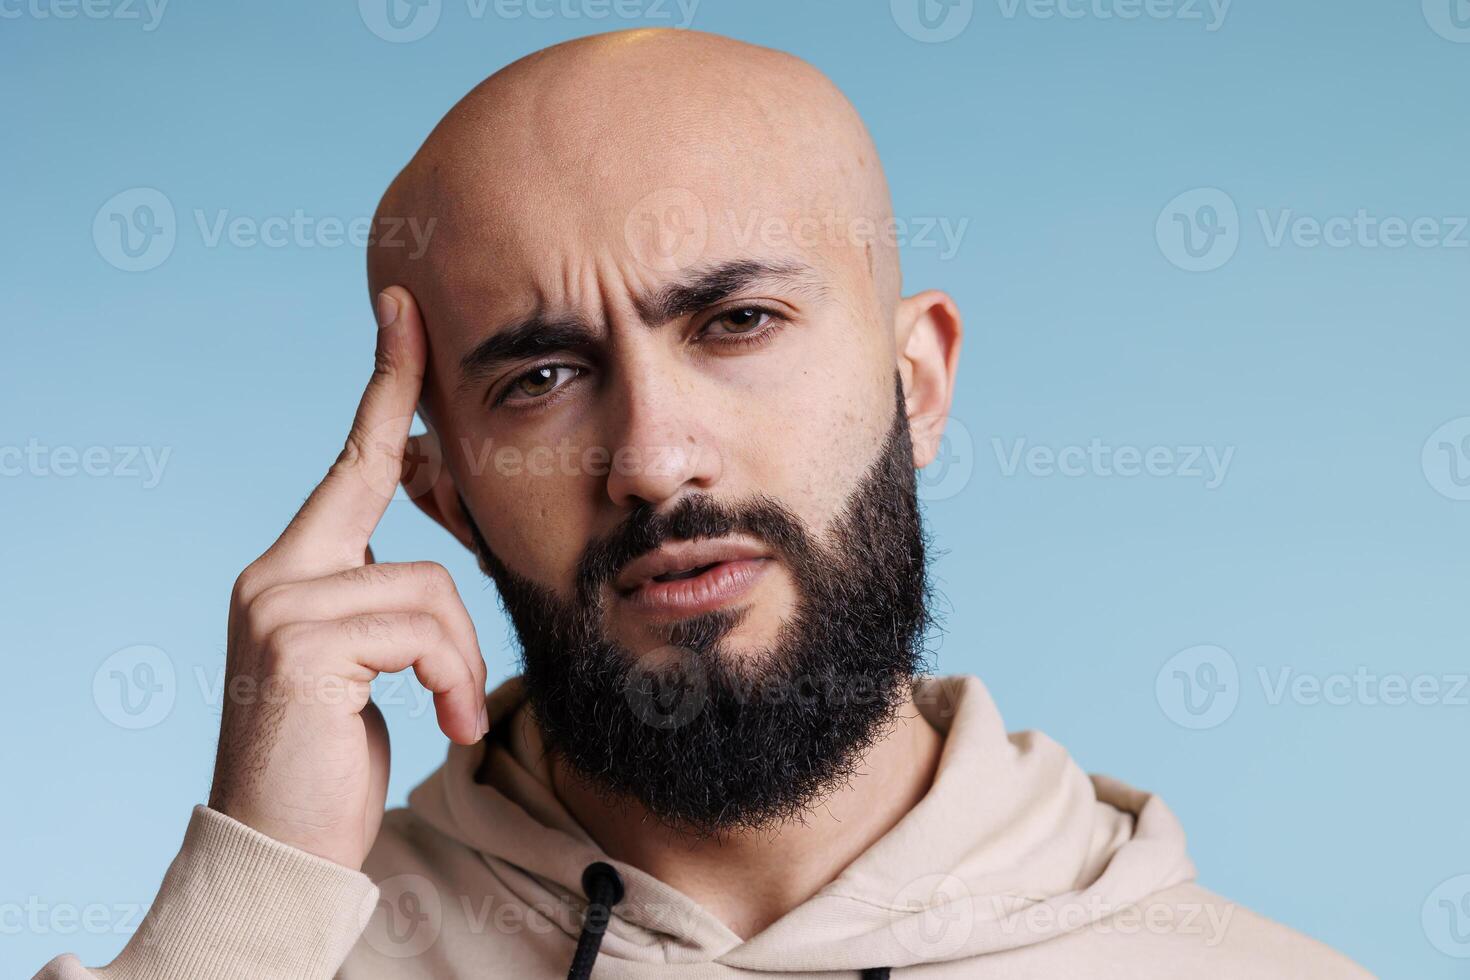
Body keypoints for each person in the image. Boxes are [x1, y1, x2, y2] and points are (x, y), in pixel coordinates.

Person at [37, 28, 1370, 979]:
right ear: (440, 495)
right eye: (543, 376)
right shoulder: (282, 951)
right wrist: (247, 916)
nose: (657, 459)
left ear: (915, 381)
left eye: (736, 321)